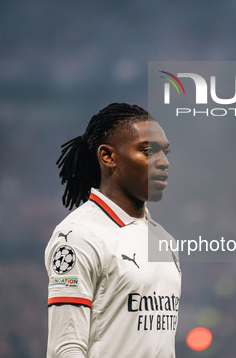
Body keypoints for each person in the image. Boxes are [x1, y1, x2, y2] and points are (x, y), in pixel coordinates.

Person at [45, 103, 181, 358]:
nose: (164, 163)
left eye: (165, 152)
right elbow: (65, 348)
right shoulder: (79, 236)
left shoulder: (164, 240)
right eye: (149, 151)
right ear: (108, 156)